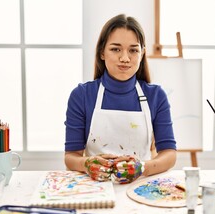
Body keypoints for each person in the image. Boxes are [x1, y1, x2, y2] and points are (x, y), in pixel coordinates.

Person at [64, 14, 176, 184]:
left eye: (133, 50)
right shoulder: (82, 95)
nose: (125, 58)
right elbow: (71, 156)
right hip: (95, 187)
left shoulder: (156, 96)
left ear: (142, 53)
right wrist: (86, 164)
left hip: (141, 186)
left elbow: (169, 154)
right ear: (102, 52)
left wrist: (143, 167)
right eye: (116, 49)